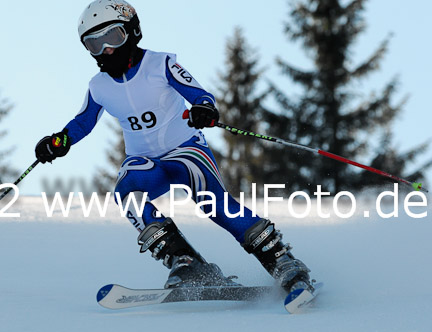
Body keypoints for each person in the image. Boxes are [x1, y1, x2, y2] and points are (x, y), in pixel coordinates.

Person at [35, 0, 313, 293]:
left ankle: (281, 260)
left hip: (186, 151)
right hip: (146, 163)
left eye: (113, 37)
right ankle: (187, 262)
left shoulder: (160, 63)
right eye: (94, 44)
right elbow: (82, 123)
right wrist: (58, 142)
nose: (107, 50)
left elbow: (199, 94)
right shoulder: (99, 86)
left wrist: (204, 109)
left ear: (133, 31)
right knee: (126, 191)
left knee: (213, 202)